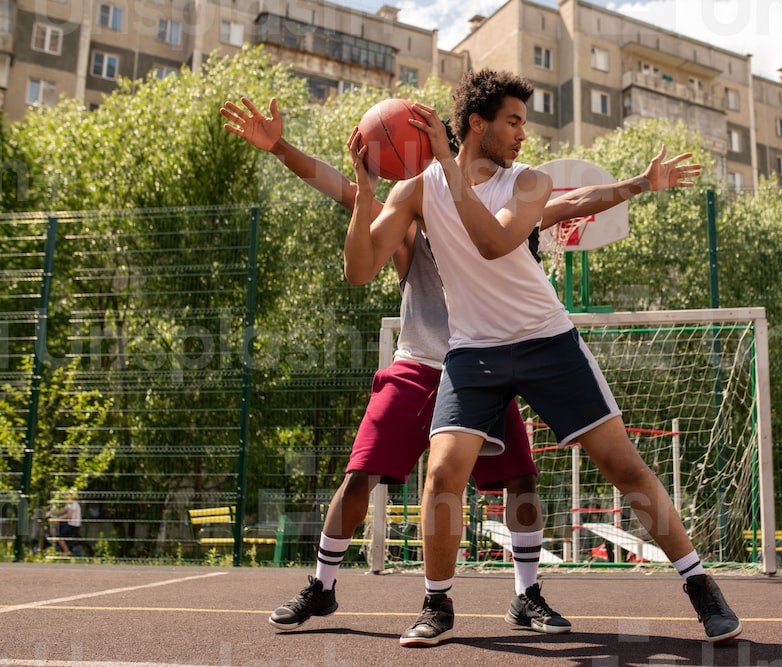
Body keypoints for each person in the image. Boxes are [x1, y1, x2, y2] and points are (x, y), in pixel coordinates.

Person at [220, 96, 691, 636]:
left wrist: (638, 183)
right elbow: (340, 187)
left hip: (484, 366)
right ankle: (322, 586)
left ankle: (527, 594)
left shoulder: (501, 211)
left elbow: (575, 199)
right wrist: (279, 145)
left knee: (520, 479)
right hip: (421, 363)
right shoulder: (413, 212)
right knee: (360, 478)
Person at [345, 69, 740, 647]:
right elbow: (358, 271)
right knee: (442, 473)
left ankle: (701, 587)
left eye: (523, 123)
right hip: (474, 352)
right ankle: (437, 603)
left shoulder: (527, 182)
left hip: (546, 341)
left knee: (624, 467)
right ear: (476, 124)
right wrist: (362, 195)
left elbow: (493, 242)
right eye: (513, 121)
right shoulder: (415, 190)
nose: (522, 133)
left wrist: (637, 184)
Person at [51, 490, 82, 556]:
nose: (66, 499)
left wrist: (58, 519)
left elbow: (69, 515)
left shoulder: (75, 504)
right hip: (69, 524)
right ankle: (61, 547)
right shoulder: (70, 504)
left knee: (59, 537)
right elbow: (62, 511)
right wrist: (52, 513)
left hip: (73, 525)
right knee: (57, 529)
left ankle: (66, 551)